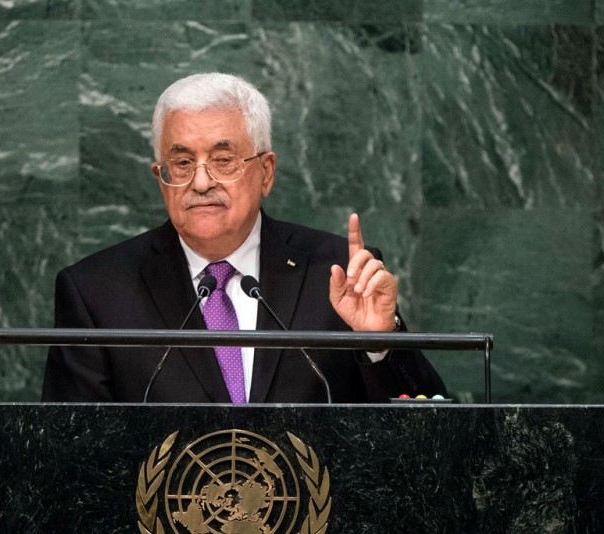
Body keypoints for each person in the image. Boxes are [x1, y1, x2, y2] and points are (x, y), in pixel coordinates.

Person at [42, 73, 446, 403]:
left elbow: (429, 435)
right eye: (181, 163)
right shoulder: (97, 292)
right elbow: (71, 457)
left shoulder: (338, 273)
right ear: (160, 178)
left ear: (266, 172)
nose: (201, 182)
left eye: (223, 161)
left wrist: (380, 342)